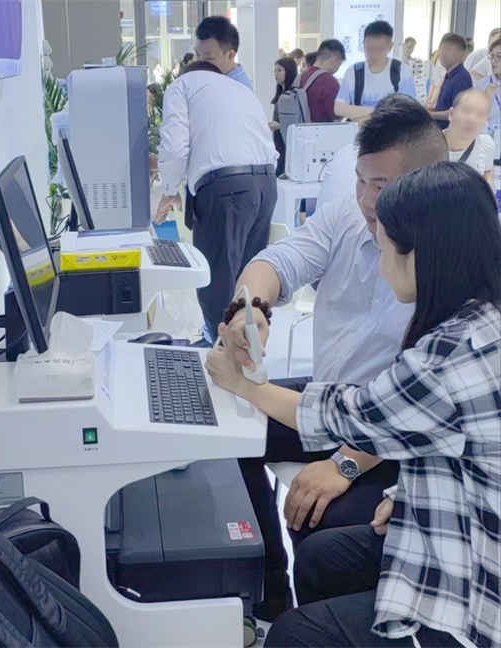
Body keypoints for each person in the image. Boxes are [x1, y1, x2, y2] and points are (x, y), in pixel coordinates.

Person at [208, 161, 501, 648]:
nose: (378, 262)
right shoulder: (479, 315)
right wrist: (250, 310)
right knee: (320, 558)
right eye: (361, 180)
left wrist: (244, 385)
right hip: (448, 508)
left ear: (420, 255)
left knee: (295, 635)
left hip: (473, 583)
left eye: (383, 250)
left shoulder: (448, 355)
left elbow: (353, 416)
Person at [217, 95, 448, 622]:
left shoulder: (444, 263)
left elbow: (418, 403)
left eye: (381, 187)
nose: (366, 200)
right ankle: (267, 597)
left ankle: (320, 625)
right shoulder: (347, 214)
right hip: (333, 400)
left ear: (426, 184)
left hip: (395, 440)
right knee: (225, 426)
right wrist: (251, 310)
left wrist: (343, 464)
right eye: (360, 180)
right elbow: (278, 261)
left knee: (319, 514)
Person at [155, 61, 277, 344]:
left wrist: (170, 188)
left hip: (226, 189)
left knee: (216, 280)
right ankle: (246, 350)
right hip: (266, 183)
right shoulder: (240, 89)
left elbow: (174, 147)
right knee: (248, 278)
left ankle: (221, 349)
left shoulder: (182, 85)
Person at [335, 21, 416, 122]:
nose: (373, 54)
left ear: (390, 47)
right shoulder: (354, 72)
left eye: (379, 49)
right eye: (369, 48)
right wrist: (381, 112)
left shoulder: (401, 71)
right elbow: (339, 108)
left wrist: (358, 113)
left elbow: (409, 110)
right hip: (361, 131)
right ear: (363, 44)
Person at [444, 89, 495, 187]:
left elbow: (488, 170)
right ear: (451, 114)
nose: (472, 119)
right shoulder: (428, 145)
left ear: (485, 122)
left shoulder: (487, 144)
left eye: (480, 114)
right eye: (466, 111)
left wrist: (490, 190)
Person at [427, 33, 472, 129]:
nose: (443, 53)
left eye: (448, 49)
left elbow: (457, 112)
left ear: (461, 54)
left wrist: (431, 115)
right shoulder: (449, 75)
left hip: (452, 133)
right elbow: (446, 106)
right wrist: (432, 110)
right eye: (442, 49)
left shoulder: (461, 78)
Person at [194, 16, 252, 89]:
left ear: (230, 55)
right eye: (197, 54)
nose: (200, 63)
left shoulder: (238, 90)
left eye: (208, 58)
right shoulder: (213, 80)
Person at [298, 39, 346, 123]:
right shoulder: (329, 81)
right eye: (340, 63)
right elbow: (336, 115)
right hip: (320, 129)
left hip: (297, 128)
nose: (338, 67)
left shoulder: (300, 77)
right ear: (335, 60)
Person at [269, 57, 298, 176]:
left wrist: (280, 126)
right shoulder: (281, 95)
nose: (276, 74)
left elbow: (296, 122)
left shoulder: (293, 95)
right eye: (274, 71)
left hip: (288, 143)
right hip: (278, 141)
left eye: (279, 70)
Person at [476, 37, 501, 161]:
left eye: (499, 56)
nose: (494, 61)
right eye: (492, 56)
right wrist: (484, 98)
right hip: (490, 147)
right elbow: (472, 117)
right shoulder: (482, 86)